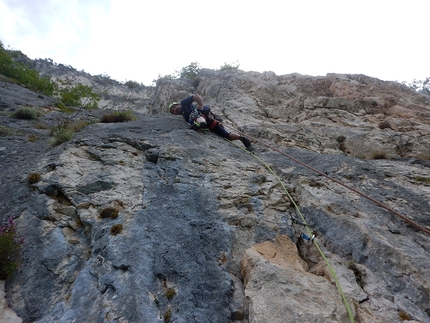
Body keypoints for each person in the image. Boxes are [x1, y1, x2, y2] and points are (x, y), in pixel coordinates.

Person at [169, 94, 251, 148]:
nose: (175, 109)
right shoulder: (184, 116)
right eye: (173, 110)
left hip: (201, 117)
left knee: (194, 117)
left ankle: (201, 123)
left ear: (178, 104)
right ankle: (240, 138)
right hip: (211, 123)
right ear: (174, 114)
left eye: (175, 106)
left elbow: (195, 96)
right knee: (226, 135)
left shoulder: (184, 103)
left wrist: (201, 105)